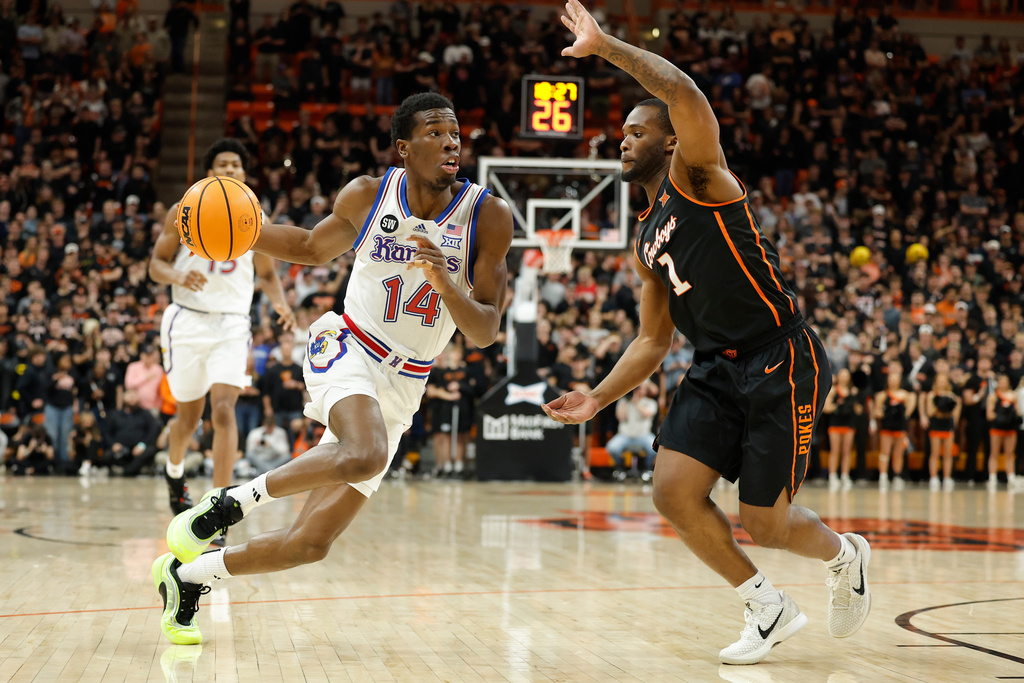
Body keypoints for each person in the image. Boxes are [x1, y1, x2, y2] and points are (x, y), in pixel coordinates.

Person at [542, 1, 871, 666]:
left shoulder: (700, 176)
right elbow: (651, 341)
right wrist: (598, 397)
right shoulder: (643, 238)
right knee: (669, 490)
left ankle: (846, 554)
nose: (624, 139)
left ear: (670, 139)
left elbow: (682, 90)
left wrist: (605, 47)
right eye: (622, 133)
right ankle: (766, 603)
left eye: (637, 129)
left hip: (780, 355)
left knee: (767, 523)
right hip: (714, 367)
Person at [152, 92, 513, 645]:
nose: (451, 142)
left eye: (456, 134)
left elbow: (486, 331)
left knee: (309, 544)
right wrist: (235, 228)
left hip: (407, 382)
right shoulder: (370, 194)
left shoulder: (487, 215)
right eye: (436, 132)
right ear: (403, 147)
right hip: (348, 344)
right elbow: (307, 246)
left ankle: (187, 576)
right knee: (363, 451)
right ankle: (225, 505)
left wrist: (445, 281)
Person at [150, 138, 295, 518]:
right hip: (187, 319)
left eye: (236, 165)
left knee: (225, 410)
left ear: (244, 174)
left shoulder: (256, 218)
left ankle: (220, 505)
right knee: (188, 418)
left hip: (232, 323)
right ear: (209, 173)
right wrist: (179, 275)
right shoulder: (182, 211)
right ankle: (174, 471)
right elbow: (156, 265)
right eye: (222, 164)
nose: (230, 170)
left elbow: (266, 272)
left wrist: (282, 306)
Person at [873, 362, 915, 492]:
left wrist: (898, 412)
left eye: (896, 379)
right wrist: (888, 412)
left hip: (900, 427)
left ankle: (897, 476)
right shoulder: (882, 395)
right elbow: (877, 411)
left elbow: (908, 412)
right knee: (885, 452)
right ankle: (883, 476)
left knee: (898, 453)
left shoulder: (904, 395)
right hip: (887, 427)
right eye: (891, 379)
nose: (893, 382)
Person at [606, 380, 659, 481]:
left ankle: (647, 469)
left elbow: (646, 414)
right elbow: (621, 417)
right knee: (612, 447)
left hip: (643, 435)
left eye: (640, 388)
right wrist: (627, 399)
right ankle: (620, 468)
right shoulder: (624, 401)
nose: (638, 390)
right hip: (625, 435)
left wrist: (636, 402)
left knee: (655, 448)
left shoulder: (650, 402)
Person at [823, 368, 859, 492]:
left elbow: (858, 409)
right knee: (835, 450)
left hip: (849, 423)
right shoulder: (833, 390)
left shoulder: (853, 391)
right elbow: (826, 408)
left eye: (846, 375)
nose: (844, 377)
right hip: (835, 423)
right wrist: (839, 406)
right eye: (842, 375)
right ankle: (832, 476)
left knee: (846, 451)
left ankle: (845, 476)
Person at [925, 373, 960, 492]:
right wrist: (939, 404)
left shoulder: (952, 395)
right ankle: (934, 477)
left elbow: (954, 413)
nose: (942, 383)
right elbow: (930, 412)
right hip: (936, 425)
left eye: (944, 380)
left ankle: (947, 477)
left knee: (948, 453)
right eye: (939, 380)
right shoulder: (931, 395)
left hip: (947, 425)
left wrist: (948, 404)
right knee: (934, 452)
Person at [985, 373, 1019, 491]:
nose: (1003, 384)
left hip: (1010, 429)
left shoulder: (1013, 396)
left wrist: (1013, 419)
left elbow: (1017, 412)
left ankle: (1011, 477)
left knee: (1010, 453)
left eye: (1006, 381)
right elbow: (989, 414)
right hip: (997, 428)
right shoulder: (993, 396)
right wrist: (1001, 417)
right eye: (1001, 381)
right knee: (994, 453)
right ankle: (993, 477)